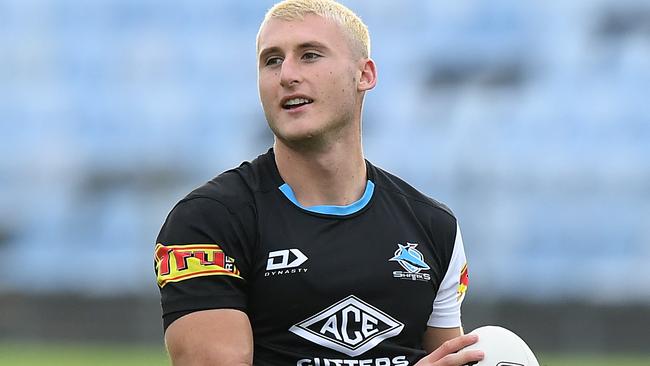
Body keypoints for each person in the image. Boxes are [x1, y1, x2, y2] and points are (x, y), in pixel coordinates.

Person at [154, 1, 484, 365]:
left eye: (309, 55)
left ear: (364, 75)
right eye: (272, 60)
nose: (287, 75)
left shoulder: (434, 228)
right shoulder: (209, 222)